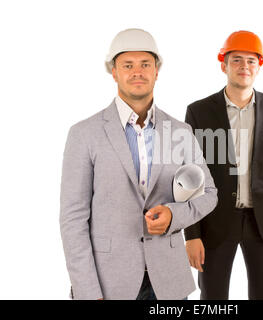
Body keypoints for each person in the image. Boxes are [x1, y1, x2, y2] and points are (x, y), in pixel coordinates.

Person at [59, 28, 217, 300]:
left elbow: (209, 195)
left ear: (156, 71)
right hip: (109, 283)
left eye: (145, 64)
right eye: (127, 65)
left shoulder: (179, 131)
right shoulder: (84, 134)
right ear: (114, 72)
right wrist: (87, 291)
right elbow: (73, 219)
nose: (137, 72)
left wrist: (173, 216)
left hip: (168, 282)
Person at [184, 30, 263, 300]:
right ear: (223, 64)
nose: (244, 66)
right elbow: (188, 175)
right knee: (212, 298)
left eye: (250, 61)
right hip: (214, 222)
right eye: (236, 60)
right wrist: (191, 234)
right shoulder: (199, 112)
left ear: (259, 67)